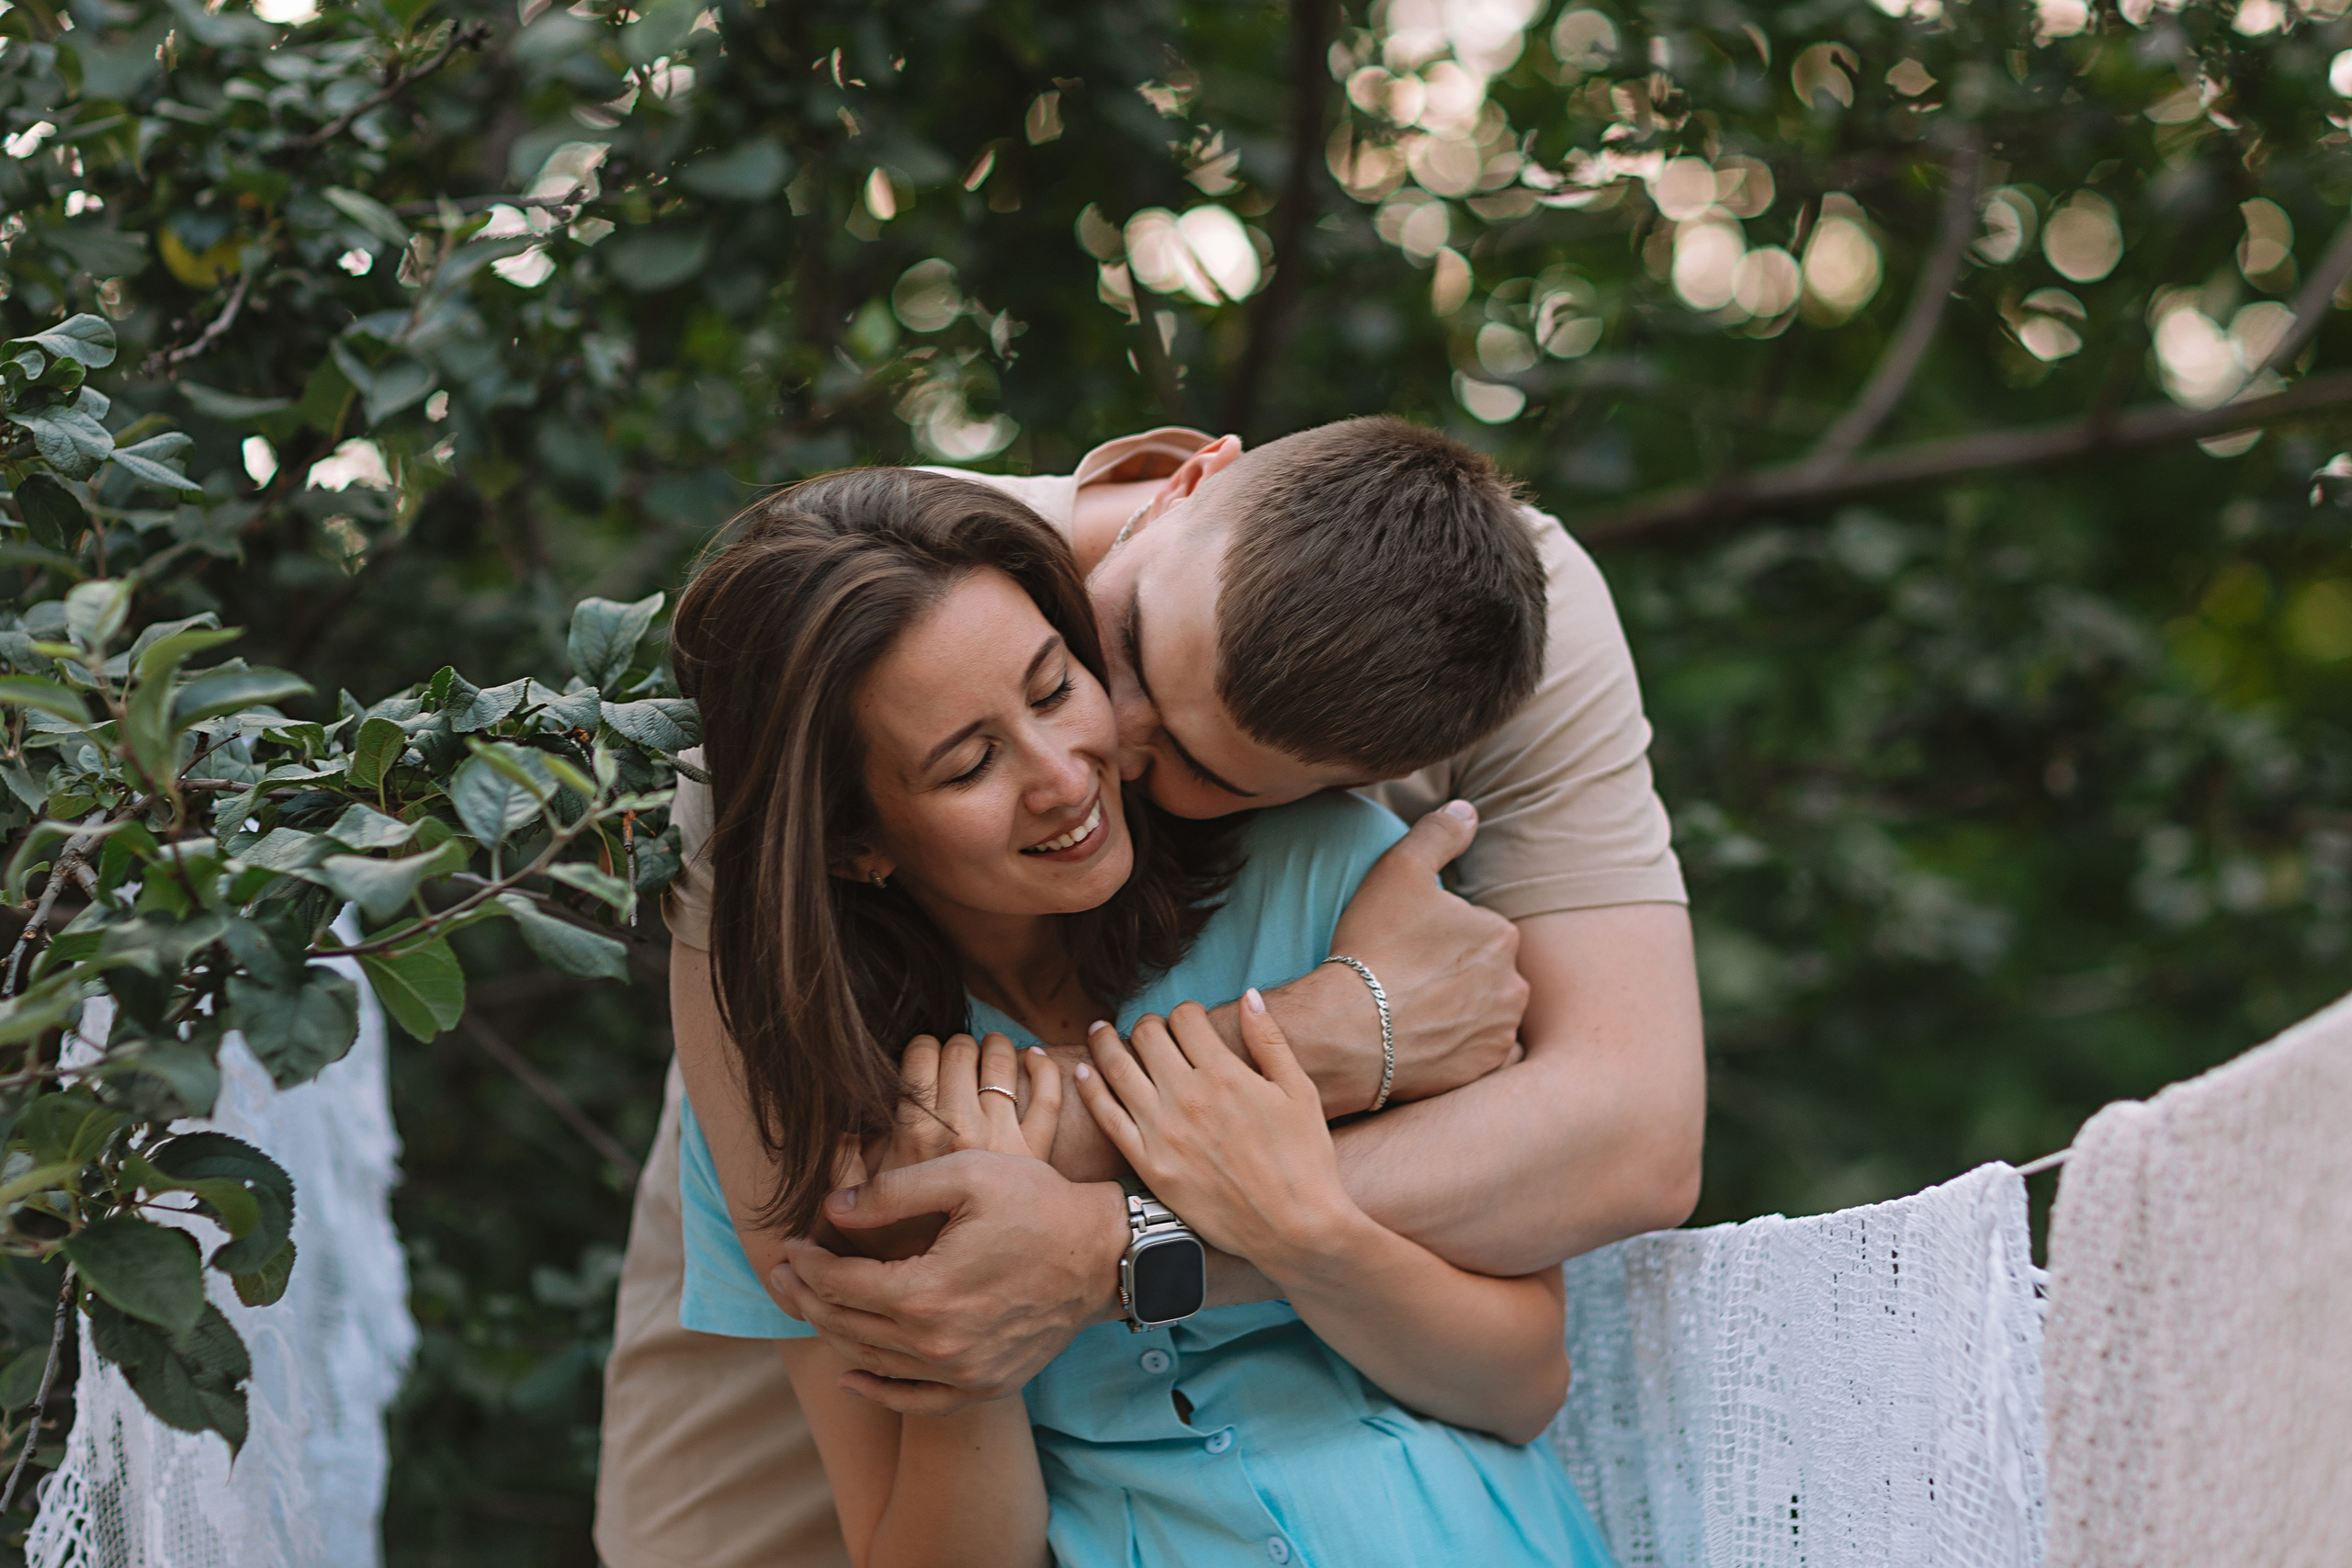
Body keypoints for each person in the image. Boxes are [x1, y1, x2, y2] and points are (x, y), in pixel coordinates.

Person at [594, 419, 1703, 1568]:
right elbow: (835, 1197)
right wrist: (1316, 1041)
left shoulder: (1339, 868)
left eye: (1200, 768)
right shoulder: (831, 665)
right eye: (971, 762)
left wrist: (1114, 1234)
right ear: (1180, 483)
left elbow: (1613, 1180)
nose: (1098, 760)